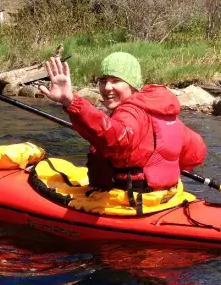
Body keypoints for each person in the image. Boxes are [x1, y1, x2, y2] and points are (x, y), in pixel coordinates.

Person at [40, 52, 207, 198]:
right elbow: (197, 151)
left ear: (132, 85)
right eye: (103, 80)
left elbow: (114, 139)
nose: (107, 87)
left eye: (116, 81)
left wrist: (71, 102)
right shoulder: (160, 111)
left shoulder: (130, 113)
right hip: (165, 196)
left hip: (129, 202)